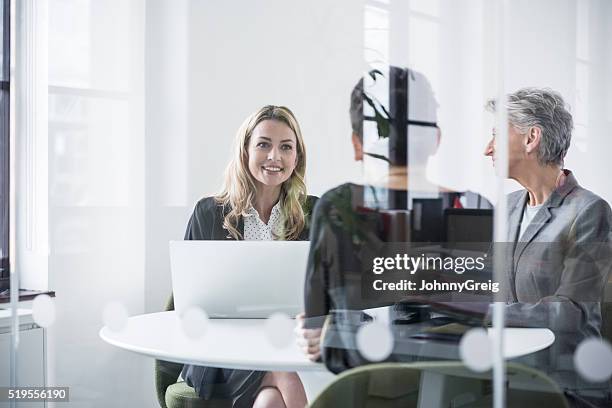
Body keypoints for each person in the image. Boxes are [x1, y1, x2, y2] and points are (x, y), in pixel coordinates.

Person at [295, 67, 491, 370]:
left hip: (361, 392)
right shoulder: (474, 207)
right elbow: (468, 331)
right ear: (435, 139)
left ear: (357, 145)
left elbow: (315, 327)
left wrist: (321, 334)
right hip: (452, 394)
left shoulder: (337, 206)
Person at [181, 105, 316, 408]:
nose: (274, 157)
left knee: (269, 403)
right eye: (264, 144)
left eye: (286, 147)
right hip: (221, 353)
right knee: (285, 376)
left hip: (290, 346)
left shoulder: (313, 214)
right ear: (245, 151)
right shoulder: (208, 214)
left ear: (297, 157)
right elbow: (188, 302)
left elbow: (329, 290)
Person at [484, 88, 612, 406]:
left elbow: (571, 313)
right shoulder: (508, 206)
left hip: (563, 384)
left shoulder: (589, 210)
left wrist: (485, 311)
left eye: (498, 135)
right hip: (506, 373)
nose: (487, 149)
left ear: (531, 138)